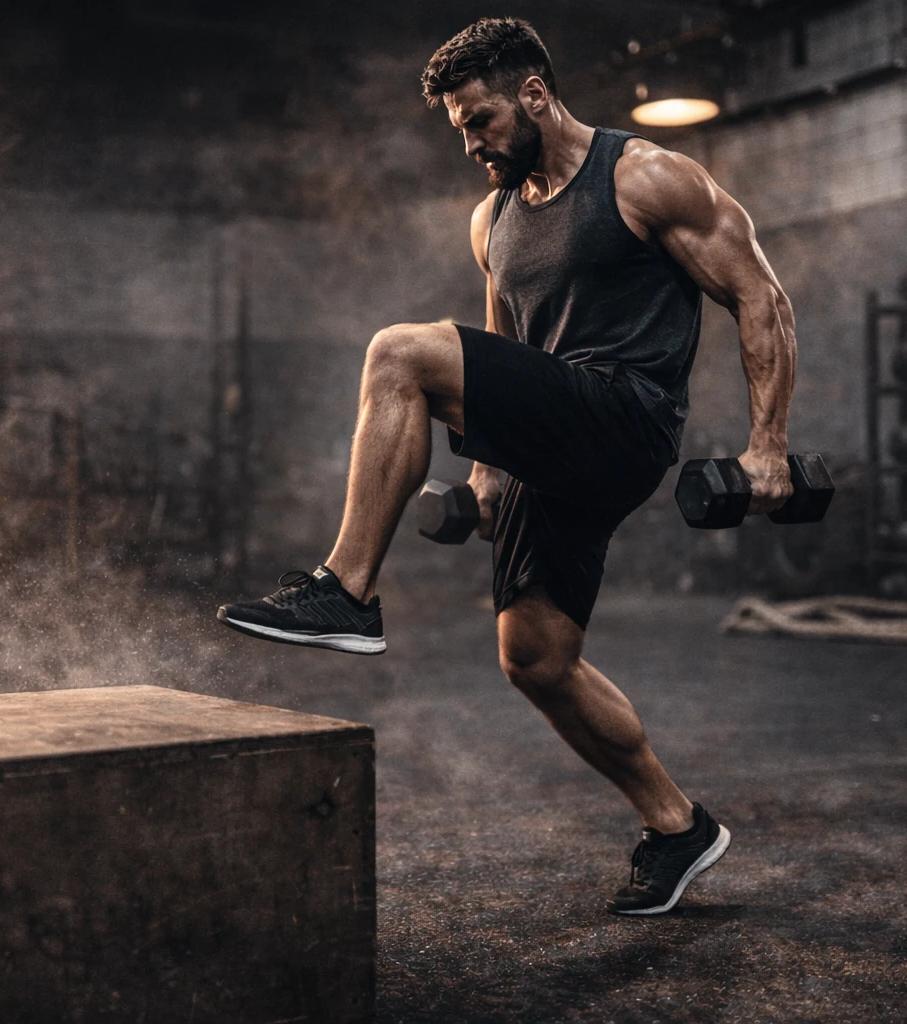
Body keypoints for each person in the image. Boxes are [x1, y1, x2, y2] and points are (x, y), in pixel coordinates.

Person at [217, 17, 796, 915]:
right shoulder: (492, 220)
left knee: (398, 353)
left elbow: (760, 297)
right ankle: (678, 828)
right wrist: (486, 467)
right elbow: (503, 343)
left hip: (625, 417)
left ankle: (349, 590)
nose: (473, 144)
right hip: (550, 439)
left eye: (481, 121)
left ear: (533, 93)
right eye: (460, 131)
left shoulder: (643, 176)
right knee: (535, 658)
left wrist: (768, 447)